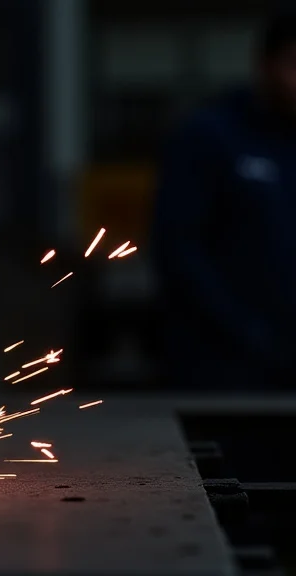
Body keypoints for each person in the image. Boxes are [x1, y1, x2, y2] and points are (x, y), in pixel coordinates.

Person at [152, 10, 295, 391]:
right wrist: (250, 334)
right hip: (226, 374)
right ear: (265, 65)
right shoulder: (210, 136)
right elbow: (177, 249)